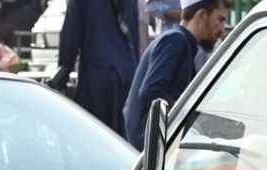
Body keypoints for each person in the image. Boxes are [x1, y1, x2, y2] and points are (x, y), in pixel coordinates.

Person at [123, 0, 228, 150]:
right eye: (220, 19)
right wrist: (189, 119)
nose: (222, 30)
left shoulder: (184, 43)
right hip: (150, 146)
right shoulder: (176, 40)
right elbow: (150, 92)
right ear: (202, 15)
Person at [48, 0, 141, 135]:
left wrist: (62, 76)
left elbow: (71, 36)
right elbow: (134, 34)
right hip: (127, 71)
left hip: (97, 72)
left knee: (97, 136)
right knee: (123, 141)